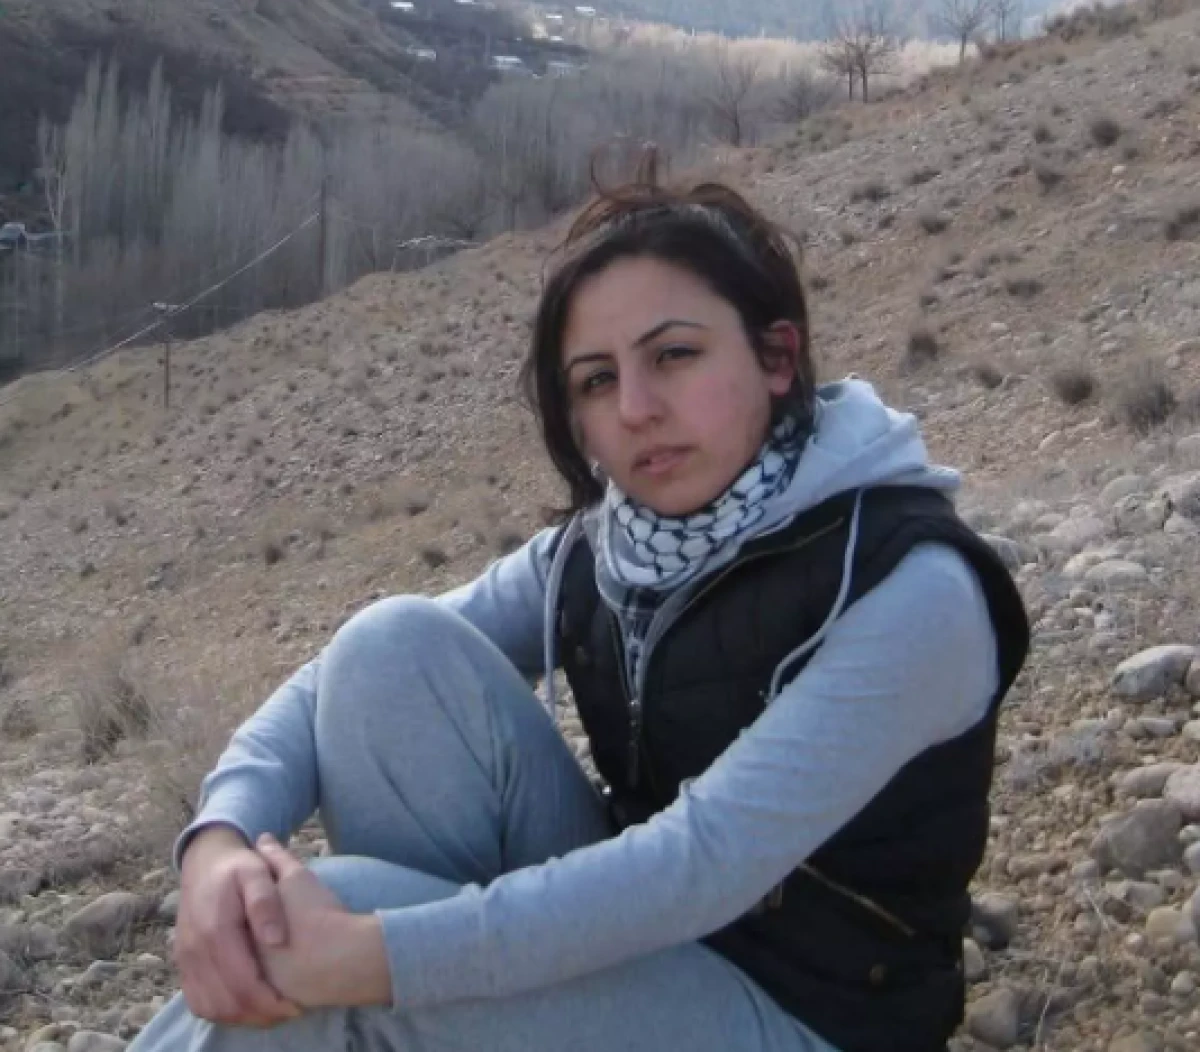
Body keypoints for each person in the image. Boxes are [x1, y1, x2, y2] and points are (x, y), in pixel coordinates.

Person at [129, 152, 1030, 1052]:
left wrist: (377, 959)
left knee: (328, 944)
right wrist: (219, 838)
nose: (636, 408)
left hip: (810, 1018)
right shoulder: (612, 548)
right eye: (597, 379)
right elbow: (328, 680)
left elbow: (701, 864)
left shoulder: (911, 587)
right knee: (388, 649)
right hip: (649, 957)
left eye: (674, 355)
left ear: (777, 356)